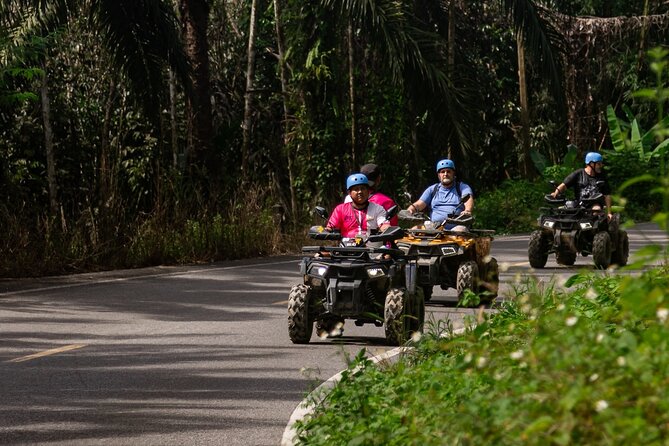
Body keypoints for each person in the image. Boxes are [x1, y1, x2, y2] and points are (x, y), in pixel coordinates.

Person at [406, 159, 474, 230]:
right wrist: (410, 210)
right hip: (434, 227)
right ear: (439, 175)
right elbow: (419, 204)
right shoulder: (432, 189)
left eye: (448, 171)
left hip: (456, 227)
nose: (445, 174)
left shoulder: (462, 187)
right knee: (414, 230)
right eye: (442, 172)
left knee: (459, 231)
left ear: (453, 173)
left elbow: (468, 199)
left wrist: (467, 210)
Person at [551, 151, 613, 221]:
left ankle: (594, 230)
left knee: (596, 209)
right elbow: (564, 185)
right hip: (579, 204)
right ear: (591, 164)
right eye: (599, 164)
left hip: (594, 204)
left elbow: (607, 195)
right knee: (563, 212)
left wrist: (609, 213)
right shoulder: (578, 173)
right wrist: (556, 192)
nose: (601, 166)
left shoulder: (602, 177)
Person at [326, 173, 390, 237]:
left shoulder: (378, 209)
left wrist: (386, 228)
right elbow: (330, 227)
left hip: (372, 246)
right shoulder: (340, 209)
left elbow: (383, 224)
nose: (360, 192)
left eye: (363, 188)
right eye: (356, 189)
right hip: (347, 246)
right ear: (349, 193)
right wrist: (322, 231)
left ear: (368, 191)